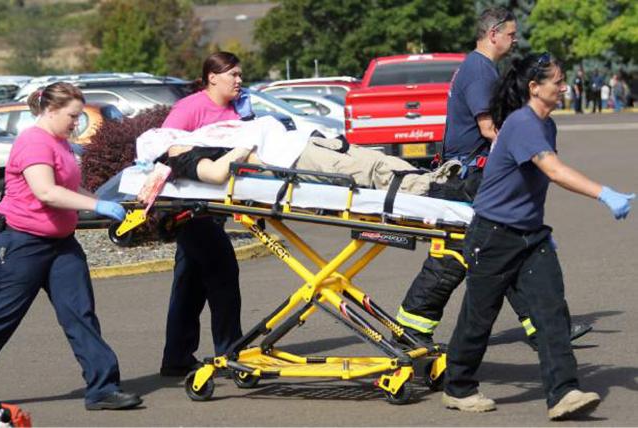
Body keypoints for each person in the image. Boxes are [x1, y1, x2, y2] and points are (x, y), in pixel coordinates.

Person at [441, 52, 634, 420]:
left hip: (530, 235)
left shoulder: (546, 125)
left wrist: (534, 225)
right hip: (493, 235)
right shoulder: (523, 123)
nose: (564, 88)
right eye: (557, 82)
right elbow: (555, 171)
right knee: (479, 317)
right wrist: (603, 192)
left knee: (551, 312)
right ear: (534, 87)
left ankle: (564, 392)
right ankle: (458, 387)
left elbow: (534, 183)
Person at [393, 7, 591, 351]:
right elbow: (489, 129)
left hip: (471, 177)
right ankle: (411, 327)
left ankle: (544, 328)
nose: (515, 41)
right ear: (493, 33)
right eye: (511, 35)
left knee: (496, 252)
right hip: (469, 181)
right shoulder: (480, 72)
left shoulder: (480, 68)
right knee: (465, 256)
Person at [0, 82, 142, 410]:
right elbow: (47, 192)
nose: (77, 123)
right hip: (22, 244)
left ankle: (103, 388)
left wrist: (111, 200)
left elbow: (74, 189)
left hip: (61, 244)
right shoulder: (33, 142)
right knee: (1, 316)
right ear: (50, 110)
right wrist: (98, 207)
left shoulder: (59, 143)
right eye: (72, 116)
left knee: (80, 314)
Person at [158, 51, 249, 377]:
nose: (239, 81)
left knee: (190, 282)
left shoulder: (235, 110)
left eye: (240, 75)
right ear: (212, 76)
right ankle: (231, 353)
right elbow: (166, 147)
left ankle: (177, 357)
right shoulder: (191, 107)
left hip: (214, 206)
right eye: (233, 75)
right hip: (190, 209)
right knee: (223, 274)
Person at [136, 115, 461, 195]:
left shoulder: (195, 140)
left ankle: (442, 178)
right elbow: (218, 174)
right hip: (289, 160)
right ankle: (441, 190)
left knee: (375, 161)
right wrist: (248, 143)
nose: (172, 135)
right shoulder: (184, 158)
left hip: (301, 144)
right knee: (370, 171)